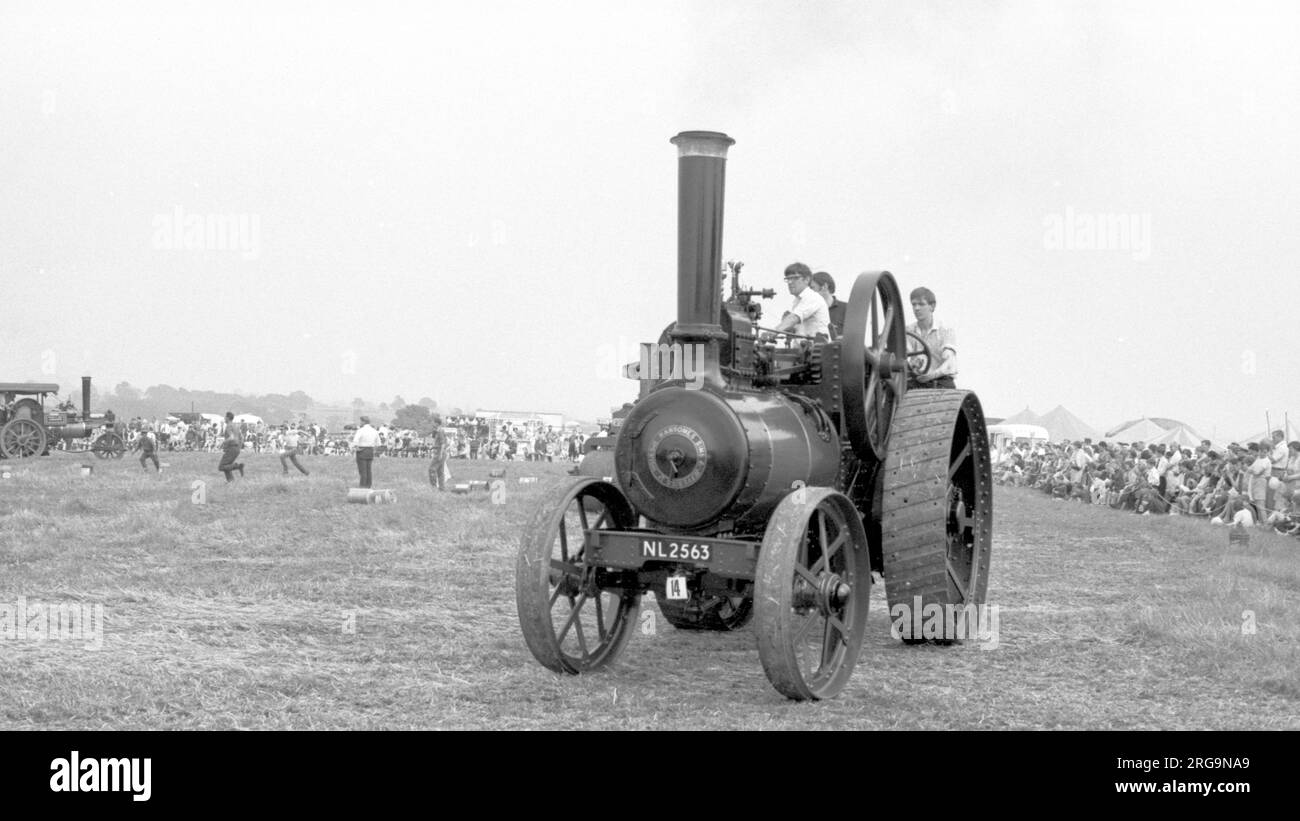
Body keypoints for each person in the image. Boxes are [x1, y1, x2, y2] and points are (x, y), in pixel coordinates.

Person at [762, 262, 829, 343]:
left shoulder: (812, 297)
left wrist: (774, 331)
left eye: (795, 278)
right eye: (788, 279)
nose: (790, 282)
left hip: (818, 351)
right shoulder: (798, 301)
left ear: (807, 280)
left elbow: (794, 318)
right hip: (805, 350)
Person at [905, 286, 957, 389]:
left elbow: (949, 362)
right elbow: (904, 354)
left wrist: (931, 375)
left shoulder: (945, 330)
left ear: (932, 306)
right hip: (917, 381)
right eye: (914, 304)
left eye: (921, 304)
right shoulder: (908, 331)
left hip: (940, 381)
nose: (916, 308)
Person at [811, 271, 846, 338]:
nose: (809, 293)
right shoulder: (809, 311)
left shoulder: (847, 309)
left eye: (812, 288)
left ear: (824, 286)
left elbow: (854, 336)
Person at [352, 415, 380, 488]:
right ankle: (368, 485)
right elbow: (378, 443)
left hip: (362, 450)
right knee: (369, 470)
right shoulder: (374, 431)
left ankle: (362, 486)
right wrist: (374, 450)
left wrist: (356, 448)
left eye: (360, 421)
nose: (360, 423)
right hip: (370, 450)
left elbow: (355, 441)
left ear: (363, 422)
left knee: (362, 470)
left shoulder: (361, 430)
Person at [217, 411, 244, 482]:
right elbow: (242, 438)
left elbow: (231, 437)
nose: (224, 418)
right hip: (236, 449)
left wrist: (223, 442)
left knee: (221, 467)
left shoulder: (229, 426)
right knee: (227, 465)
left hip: (231, 448)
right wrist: (238, 447)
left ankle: (238, 466)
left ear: (228, 418)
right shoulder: (236, 426)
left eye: (225, 417)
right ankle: (231, 481)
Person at [428, 421, 448, 491]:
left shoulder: (440, 432)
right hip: (440, 451)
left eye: (434, 423)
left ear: (437, 423)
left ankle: (433, 487)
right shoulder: (438, 431)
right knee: (440, 472)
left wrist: (440, 454)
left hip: (439, 452)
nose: (433, 424)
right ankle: (442, 488)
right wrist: (433, 447)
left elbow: (443, 444)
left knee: (431, 469)